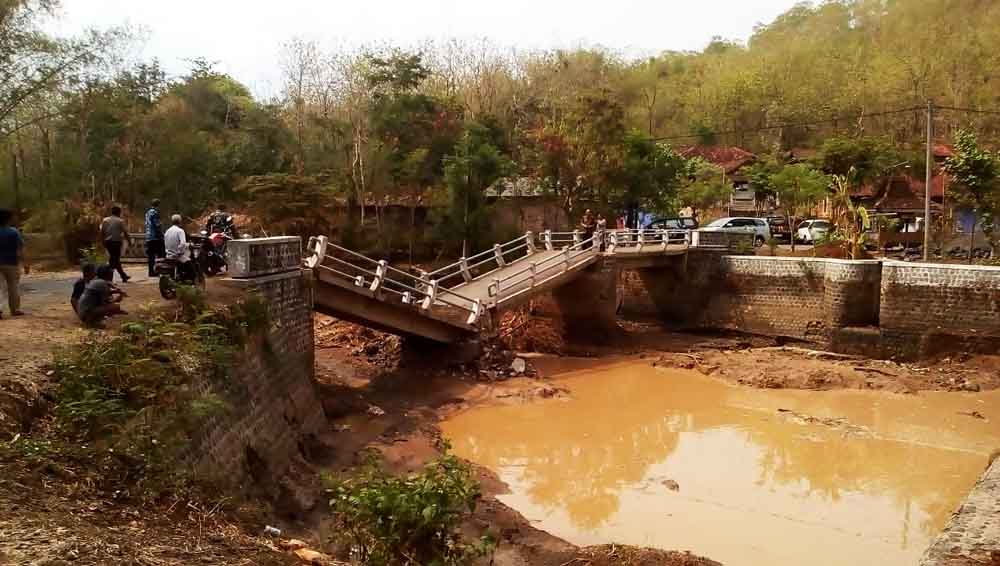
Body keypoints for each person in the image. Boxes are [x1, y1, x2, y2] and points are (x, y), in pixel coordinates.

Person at [0, 209, 28, 319]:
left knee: (0, 287)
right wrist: (25, 263)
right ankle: (15, 309)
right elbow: (20, 249)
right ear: (8, 219)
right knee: (13, 286)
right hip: (12, 263)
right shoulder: (14, 232)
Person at [100, 205, 131, 283]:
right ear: (119, 212)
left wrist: (102, 241)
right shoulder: (120, 221)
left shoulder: (105, 220)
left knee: (114, 260)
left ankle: (123, 276)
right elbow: (125, 232)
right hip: (116, 242)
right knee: (115, 260)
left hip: (108, 242)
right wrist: (129, 241)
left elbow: (101, 232)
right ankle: (110, 278)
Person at [144, 199, 165, 277]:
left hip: (148, 236)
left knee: (151, 256)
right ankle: (160, 270)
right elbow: (157, 225)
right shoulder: (155, 213)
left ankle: (151, 271)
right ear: (158, 205)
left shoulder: (147, 213)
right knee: (161, 254)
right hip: (155, 237)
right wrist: (161, 235)